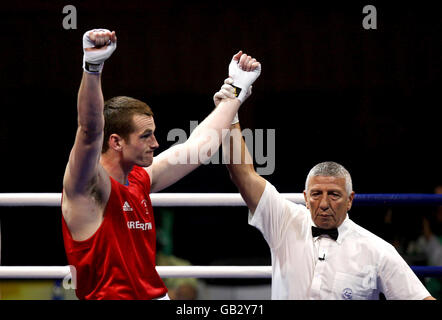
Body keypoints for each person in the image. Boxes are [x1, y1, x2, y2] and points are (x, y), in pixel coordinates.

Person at [61, 28, 261, 300]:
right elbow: (88, 131)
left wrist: (236, 92)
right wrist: (93, 68)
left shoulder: (141, 178)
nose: (155, 144)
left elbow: (197, 148)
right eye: (145, 136)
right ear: (116, 142)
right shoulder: (88, 186)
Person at [217, 81, 434, 300]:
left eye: (334, 195)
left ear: (350, 200)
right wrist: (229, 112)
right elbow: (243, 174)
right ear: (305, 197)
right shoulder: (284, 220)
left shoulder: (376, 250)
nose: (323, 203)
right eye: (316, 194)